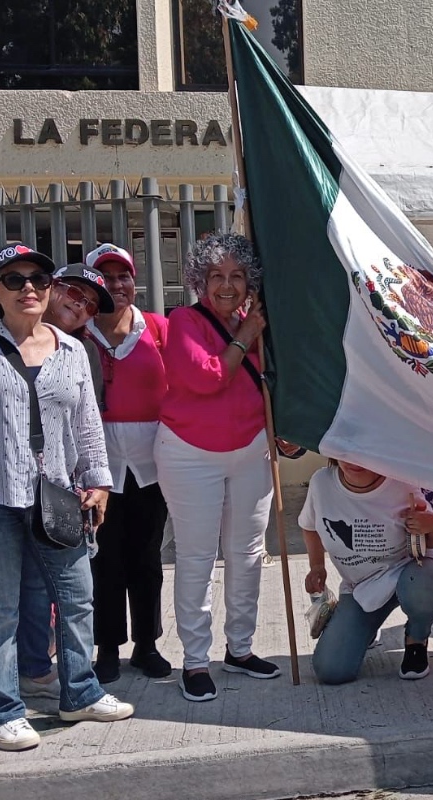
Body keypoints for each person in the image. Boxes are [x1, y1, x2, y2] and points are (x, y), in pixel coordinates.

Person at [0, 244, 132, 751]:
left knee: (77, 595)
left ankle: (79, 690)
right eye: (14, 280)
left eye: (39, 279)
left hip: (57, 492)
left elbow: (87, 425)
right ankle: (3, 709)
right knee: (1, 606)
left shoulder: (71, 350)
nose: (29, 289)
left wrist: (100, 481)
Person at [156, 232, 289, 702]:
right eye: (217, 276)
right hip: (190, 453)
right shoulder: (185, 321)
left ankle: (241, 647)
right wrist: (246, 336)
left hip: (250, 448)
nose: (227, 285)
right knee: (195, 557)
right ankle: (195, 660)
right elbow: (208, 376)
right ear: (200, 281)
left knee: (248, 552)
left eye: (236, 275)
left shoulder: (258, 321)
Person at [84, 243, 173, 683]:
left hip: (152, 466)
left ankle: (147, 644)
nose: (116, 285)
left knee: (147, 558)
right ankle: (106, 648)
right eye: (106, 277)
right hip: (98, 469)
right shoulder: (76, 334)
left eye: (123, 276)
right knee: (104, 560)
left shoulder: (158, 329)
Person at [301, 460, 433, 684]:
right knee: (331, 671)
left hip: (408, 571)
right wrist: (317, 566)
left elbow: (432, 542)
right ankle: (365, 628)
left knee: (421, 585)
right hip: (361, 586)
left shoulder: (402, 480)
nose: (353, 461)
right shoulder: (321, 482)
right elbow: (309, 525)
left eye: (361, 452)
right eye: (345, 450)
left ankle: (416, 639)